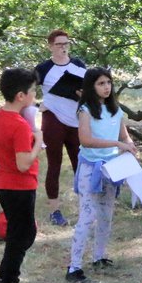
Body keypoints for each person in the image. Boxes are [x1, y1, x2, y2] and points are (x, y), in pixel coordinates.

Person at [66, 67, 135, 283]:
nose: (106, 87)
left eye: (108, 83)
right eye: (101, 83)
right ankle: (74, 266)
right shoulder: (85, 110)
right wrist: (116, 144)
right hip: (91, 168)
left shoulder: (115, 110)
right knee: (87, 215)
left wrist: (130, 147)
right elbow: (85, 140)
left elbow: (125, 135)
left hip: (112, 167)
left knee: (107, 214)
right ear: (91, 87)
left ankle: (100, 256)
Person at [0, 67, 44, 283]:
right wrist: (37, 142)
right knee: (22, 236)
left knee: (18, 234)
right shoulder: (19, 125)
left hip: (4, 183)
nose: (35, 95)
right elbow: (23, 164)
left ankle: (5, 281)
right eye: (33, 90)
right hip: (18, 185)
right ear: (21, 96)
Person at [35, 29, 87, 227]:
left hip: (76, 120)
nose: (63, 47)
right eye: (59, 44)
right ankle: (54, 210)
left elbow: (91, 89)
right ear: (50, 46)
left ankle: (85, 207)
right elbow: (28, 90)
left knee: (80, 164)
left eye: (66, 43)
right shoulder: (43, 68)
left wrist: (83, 94)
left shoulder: (79, 65)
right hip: (53, 119)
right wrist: (37, 106)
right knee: (54, 164)